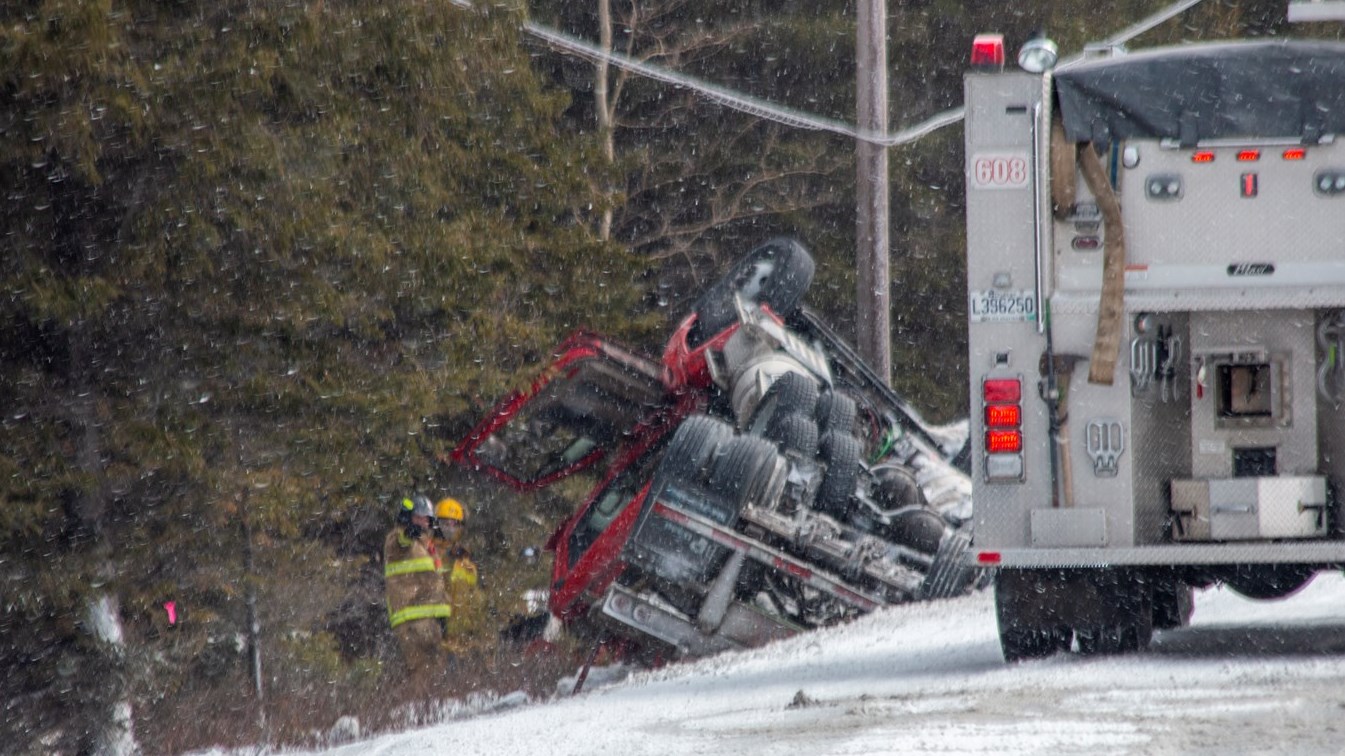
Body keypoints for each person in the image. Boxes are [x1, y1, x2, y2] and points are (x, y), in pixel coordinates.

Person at [383, 494, 452, 672]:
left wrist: (443, 613)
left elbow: (435, 582)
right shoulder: (396, 538)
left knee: (438, 672)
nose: (422, 522)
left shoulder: (427, 545)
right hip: (411, 621)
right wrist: (407, 534)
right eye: (418, 517)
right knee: (422, 673)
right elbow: (400, 543)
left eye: (426, 518)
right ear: (408, 517)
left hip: (430, 621)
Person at [432, 497, 486, 656]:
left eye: (454, 524)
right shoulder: (428, 552)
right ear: (437, 524)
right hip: (437, 637)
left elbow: (476, 598)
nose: (450, 529)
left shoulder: (466, 560)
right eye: (445, 523)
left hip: (463, 639)